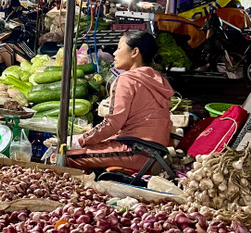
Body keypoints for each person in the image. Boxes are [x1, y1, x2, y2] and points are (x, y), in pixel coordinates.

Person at [66, 31, 174, 173]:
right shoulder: (157, 79)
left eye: (119, 48)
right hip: (154, 154)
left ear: (135, 52)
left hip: (136, 150)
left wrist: (80, 140)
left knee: (64, 157)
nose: (115, 53)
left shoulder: (127, 79)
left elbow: (113, 123)